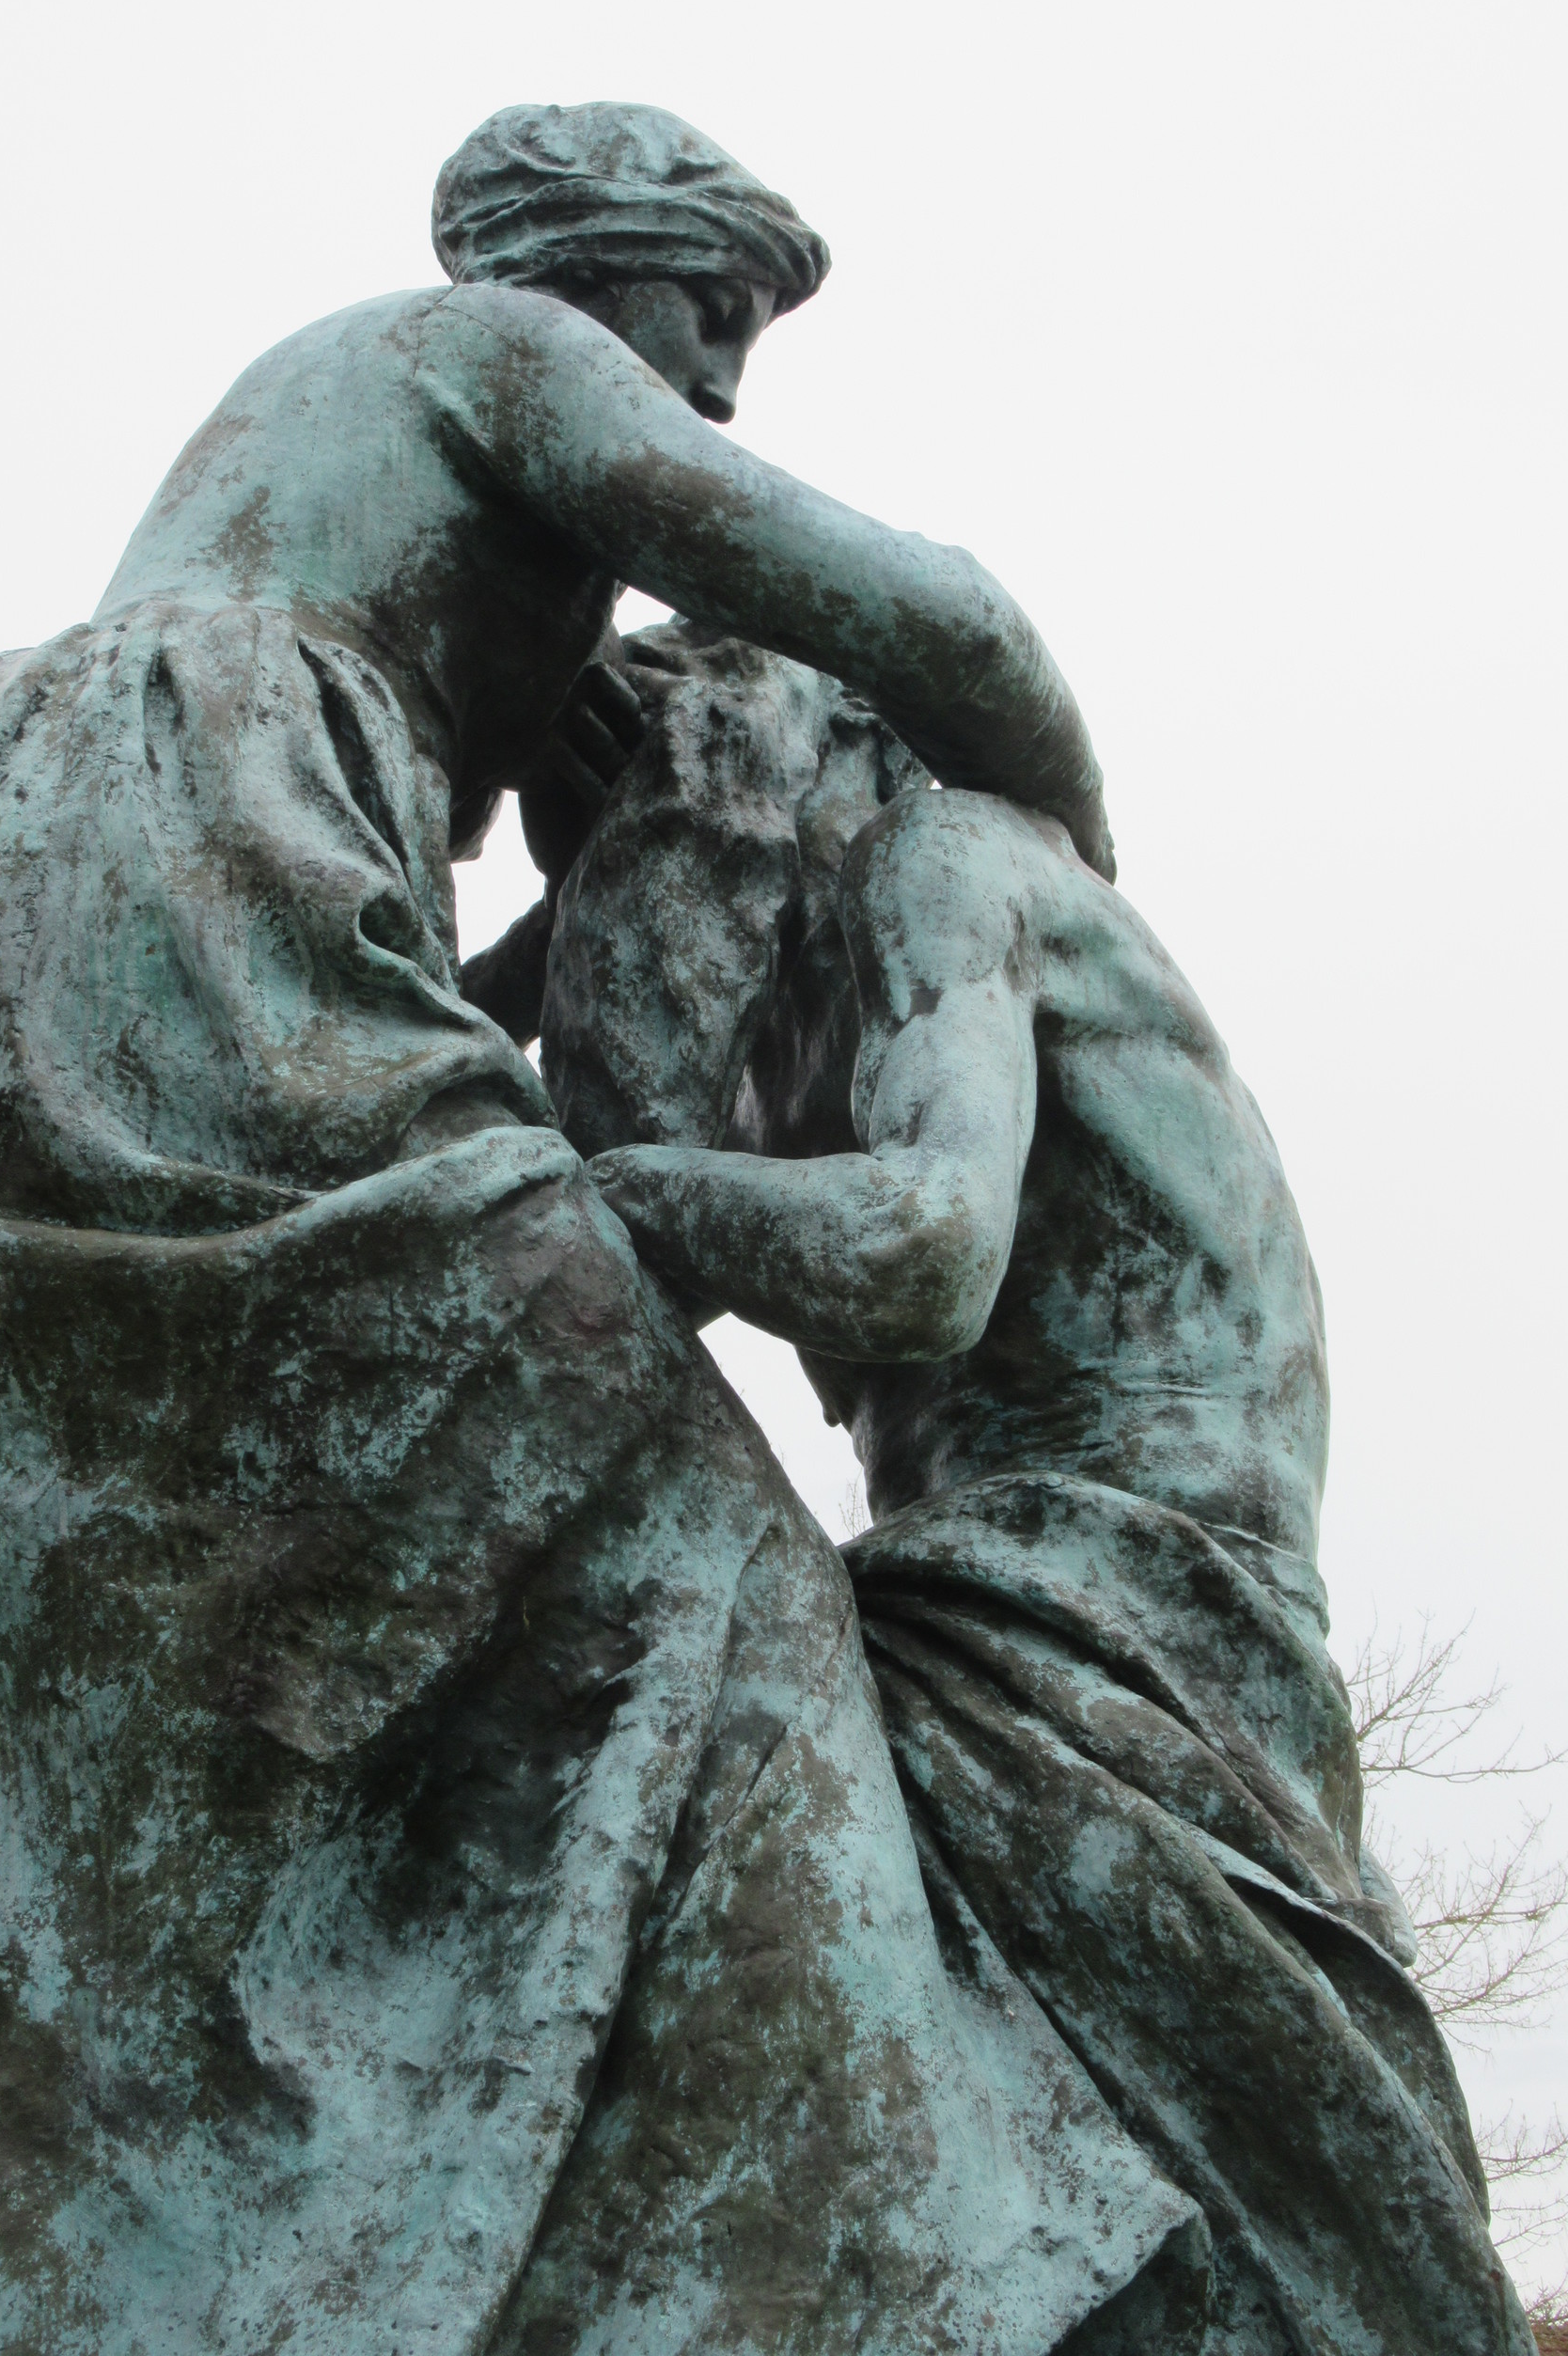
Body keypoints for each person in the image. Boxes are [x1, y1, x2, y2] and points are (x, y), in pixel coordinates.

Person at [0, 109, 1181, 2355]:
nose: (721, 380)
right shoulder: (492, 351)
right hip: (165, 862)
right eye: (711, 308)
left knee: (168, 1628)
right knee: (679, 1556)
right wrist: (1051, 850)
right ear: (584, 259)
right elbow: (943, 620)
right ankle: (861, 2260)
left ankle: (26, 2236)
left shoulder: (331, 508)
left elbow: (425, 1001)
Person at [545, 623, 1535, 2354]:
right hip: (999, 1617)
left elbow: (926, 1249)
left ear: (827, 736)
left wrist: (595, 1194)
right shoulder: (796, 1032)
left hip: (1114, 1606)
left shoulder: (948, 859)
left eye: (698, 791)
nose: (686, 865)